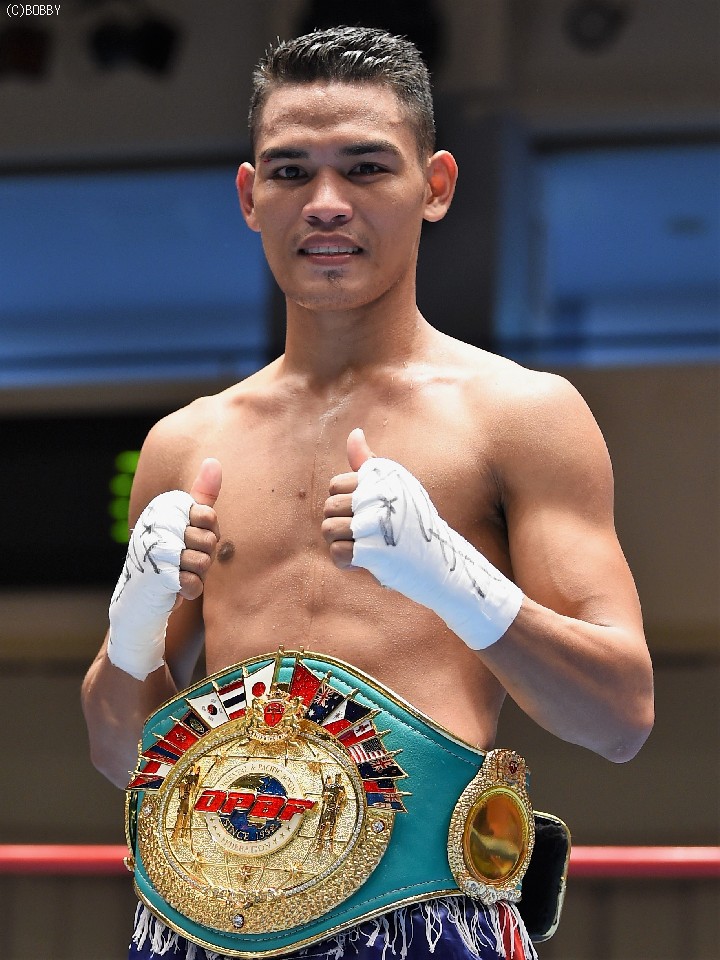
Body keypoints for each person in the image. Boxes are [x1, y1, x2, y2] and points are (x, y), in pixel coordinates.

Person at [81, 25, 654, 960]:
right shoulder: (185, 443)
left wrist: (457, 581)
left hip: (423, 923)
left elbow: (622, 719)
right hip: (195, 930)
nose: (325, 203)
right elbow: (119, 758)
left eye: (366, 167)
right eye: (291, 171)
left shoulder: (521, 417)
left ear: (435, 186)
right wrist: (133, 628)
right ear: (249, 195)